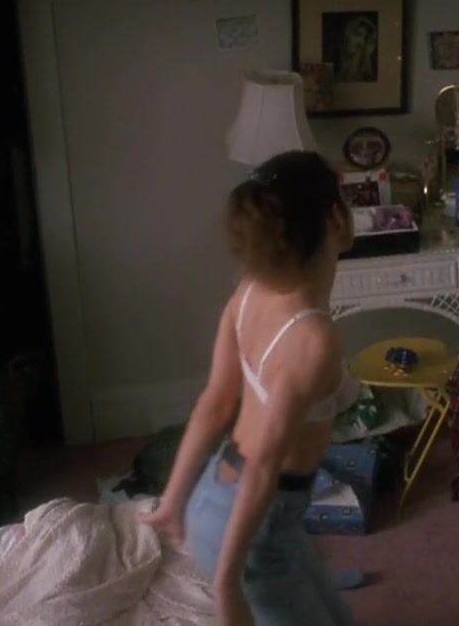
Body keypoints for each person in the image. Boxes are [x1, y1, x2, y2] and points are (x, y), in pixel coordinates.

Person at [140, 150, 359, 625]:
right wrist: (226, 584)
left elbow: (215, 403)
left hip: (214, 498)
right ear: (335, 219)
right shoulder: (313, 339)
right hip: (254, 529)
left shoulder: (248, 291)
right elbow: (263, 466)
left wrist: (174, 498)